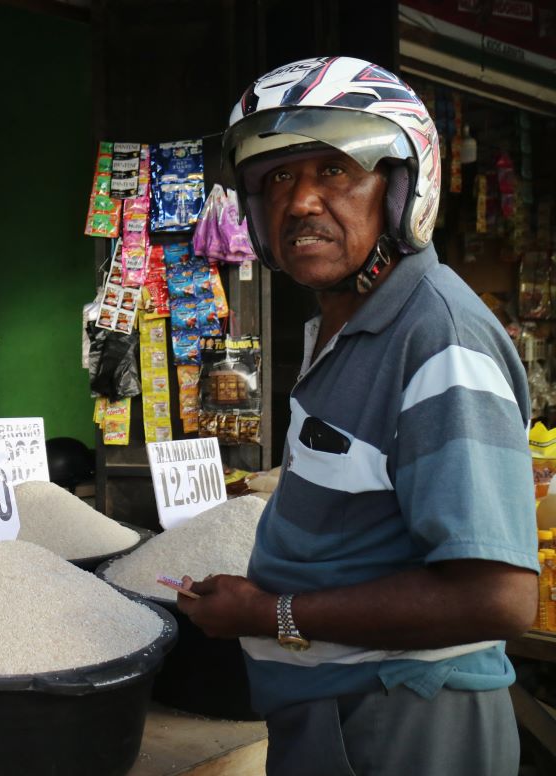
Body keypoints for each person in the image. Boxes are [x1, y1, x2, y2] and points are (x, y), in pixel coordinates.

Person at [176, 56, 539, 775]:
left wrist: (269, 615)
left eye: (335, 171)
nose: (301, 201)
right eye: (278, 178)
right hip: (338, 711)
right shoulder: (346, 327)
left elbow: (497, 598)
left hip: (406, 718)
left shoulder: (438, 338)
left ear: (402, 189)